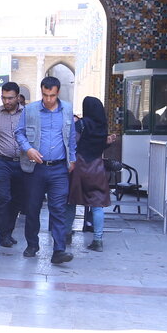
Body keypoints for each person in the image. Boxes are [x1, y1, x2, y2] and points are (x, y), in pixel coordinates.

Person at [15, 77, 77, 265]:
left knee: (58, 209)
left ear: (58, 93)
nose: (48, 99)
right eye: (45, 95)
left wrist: (72, 158)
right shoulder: (30, 110)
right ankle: (32, 244)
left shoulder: (67, 109)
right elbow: (19, 133)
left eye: (52, 95)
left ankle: (59, 250)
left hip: (59, 168)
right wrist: (28, 149)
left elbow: (71, 136)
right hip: (36, 168)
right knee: (32, 208)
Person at [67, 97, 111, 252]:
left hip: (79, 166)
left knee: (71, 201)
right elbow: (101, 145)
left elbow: (73, 143)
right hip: (97, 167)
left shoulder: (81, 124)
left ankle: (66, 234)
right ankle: (98, 240)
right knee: (97, 206)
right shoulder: (103, 126)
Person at [0, 81, 25, 248]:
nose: (7, 101)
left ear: (18, 97)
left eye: (10, 98)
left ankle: (9, 231)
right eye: (4, 98)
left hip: (21, 163)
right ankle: (3, 234)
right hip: (0, 162)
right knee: (3, 197)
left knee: (17, 199)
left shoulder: (27, 114)